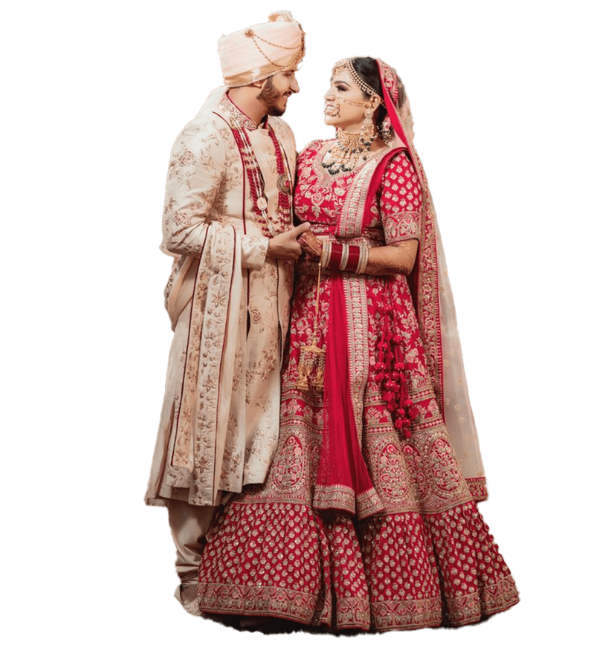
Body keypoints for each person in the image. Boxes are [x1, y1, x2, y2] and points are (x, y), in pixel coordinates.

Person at [196, 56, 521, 632]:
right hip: (305, 318)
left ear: (373, 102)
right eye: (326, 85)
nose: (326, 95)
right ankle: (276, 587)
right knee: (293, 434)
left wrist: (331, 252)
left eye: (341, 88)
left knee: (378, 437)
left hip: (373, 325)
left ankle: (390, 591)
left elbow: (405, 255)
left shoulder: (394, 165)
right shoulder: (309, 153)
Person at [143, 10, 309, 619]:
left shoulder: (282, 134)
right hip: (221, 303)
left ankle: (243, 568)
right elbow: (178, 232)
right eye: (289, 75)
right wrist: (263, 247)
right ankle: (192, 572)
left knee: (265, 429)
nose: (296, 87)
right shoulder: (203, 137)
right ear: (260, 77)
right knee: (208, 427)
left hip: (278, 300)